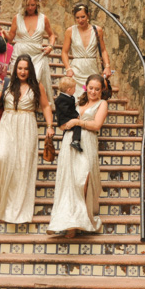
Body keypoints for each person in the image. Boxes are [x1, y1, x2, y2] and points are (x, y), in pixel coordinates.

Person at [0, 55, 54, 224]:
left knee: (22, 165)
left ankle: (17, 205)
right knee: (2, 157)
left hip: (27, 125)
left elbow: (46, 106)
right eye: (20, 68)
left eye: (26, 68)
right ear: (15, 69)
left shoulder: (36, 86)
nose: (23, 71)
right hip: (7, 123)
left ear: (30, 69)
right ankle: (2, 194)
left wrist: (49, 126)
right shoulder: (7, 84)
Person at [47, 74, 109, 237]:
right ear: (85, 87)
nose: (93, 92)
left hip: (87, 143)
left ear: (101, 90)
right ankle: (67, 222)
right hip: (70, 143)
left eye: (97, 89)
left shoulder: (102, 104)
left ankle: (81, 219)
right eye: (90, 88)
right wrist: (63, 125)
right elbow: (64, 119)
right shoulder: (77, 101)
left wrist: (78, 122)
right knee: (69, 181)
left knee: (83, 179)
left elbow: (96, 125)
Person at [0, 0, 56, 103]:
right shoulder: (17, 18)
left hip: (37, 54)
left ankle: (32, 106)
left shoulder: (43, 18)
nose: (30, 8)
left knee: (35, 81)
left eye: (33, 5)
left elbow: (52, 35)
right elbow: (11, 38)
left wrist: (50, 46)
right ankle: (18, 104)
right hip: (19, 53)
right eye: (27, 5)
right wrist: (3, 33)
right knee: (18, 81)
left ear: (37, 5)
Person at [61, 4, 112, 100]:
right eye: (77, 17)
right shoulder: (70, 31)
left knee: (92, 98)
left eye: (83, 17)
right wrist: (68, 68)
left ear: (88, 15)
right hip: (76, 69)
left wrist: (107, 66)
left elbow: (103, 50)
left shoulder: (97, 30)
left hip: (91, 68)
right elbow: (64, 52)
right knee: (76, 99)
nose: (80, 20)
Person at [54, 77, 82, 152]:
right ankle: (75, 141)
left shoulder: (69, 97)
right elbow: (66, 110)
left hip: (67, 117)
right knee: (77, 125)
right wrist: (76, 115)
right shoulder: (61, 99)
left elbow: (70, 107)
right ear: (69, 90)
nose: (75, 90)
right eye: (74, 88)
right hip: (64, 120)